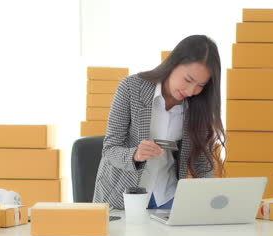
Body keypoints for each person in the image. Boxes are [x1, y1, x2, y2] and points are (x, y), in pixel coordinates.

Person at [93, 35, 226, 211]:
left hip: (167, 197)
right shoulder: (131, 87)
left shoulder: (198, 105)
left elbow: (202, 163)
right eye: (187, 79)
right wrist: (135, 155)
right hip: (122, 197)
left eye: (201, 85)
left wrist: (207, 204)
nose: (191, 90)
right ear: (173, 64)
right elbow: (110, 149)